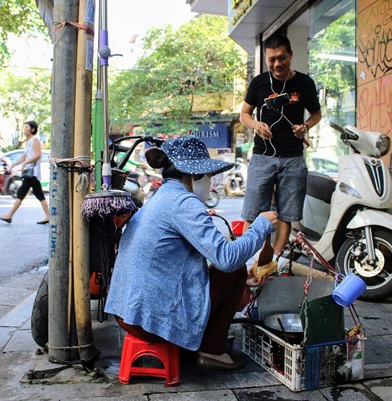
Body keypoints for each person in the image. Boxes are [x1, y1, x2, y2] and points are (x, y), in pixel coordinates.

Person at [104, 136, 278, 371]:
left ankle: (201, 342)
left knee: (235, 272)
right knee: (233, 266)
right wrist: (260, 226)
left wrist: (240, 279)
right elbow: (226, 259)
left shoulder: (163, 197)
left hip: (127, 312)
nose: (210, 182)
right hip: (145, 320)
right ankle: (213, 351)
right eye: (207, 175)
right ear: (195, 176)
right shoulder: (183, 202)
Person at [240, 34, 322, 255]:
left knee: (288, 214)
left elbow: (317, 114)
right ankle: (248, 259)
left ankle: (274, 262)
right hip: (262, 157)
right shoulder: (258, 83)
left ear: (291, 55)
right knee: (253, 212)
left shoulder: (305, 83)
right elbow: (244, 115)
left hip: (293, 158)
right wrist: (256, 125)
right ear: (266, 59)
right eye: (271, 59)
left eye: (282, 58)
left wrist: (304, 126)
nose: (277, 64)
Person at [0, 121, 50, 224]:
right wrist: (13, 164)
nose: (24, 129)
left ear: (32, 129)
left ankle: (9, 215)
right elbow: (23, 156)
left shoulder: (35, 140)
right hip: (31, 173)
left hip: (32, 173)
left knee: (21, 193)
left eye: (26, 127)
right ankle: (48, 216)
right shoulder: (29, 141)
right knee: (39, 195)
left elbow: (38, 155)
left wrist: (26, 162)